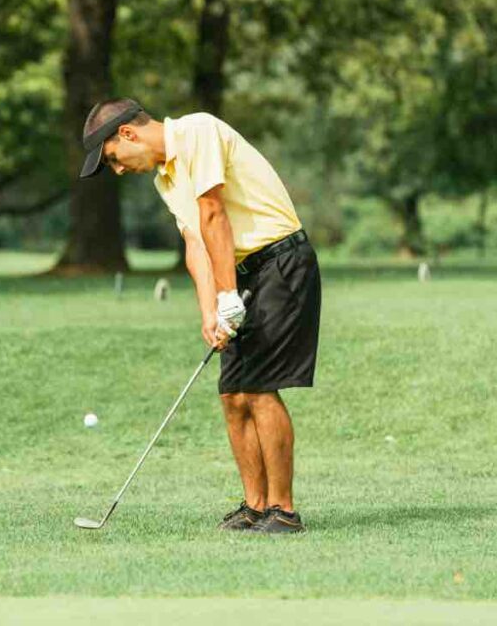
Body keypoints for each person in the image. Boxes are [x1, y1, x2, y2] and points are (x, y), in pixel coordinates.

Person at [79, 98, 321, 534]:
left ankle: (283, 511)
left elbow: (213, 213)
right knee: (233, 393)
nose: (118, 170)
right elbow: (196, 242)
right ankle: (255, 505)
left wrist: (228, 293)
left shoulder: (199, 131)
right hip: (242, 272)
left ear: (128, 134)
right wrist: (210, 310)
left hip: (281, 262)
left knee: (261, 388)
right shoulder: (165, 180)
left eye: (113, 159)